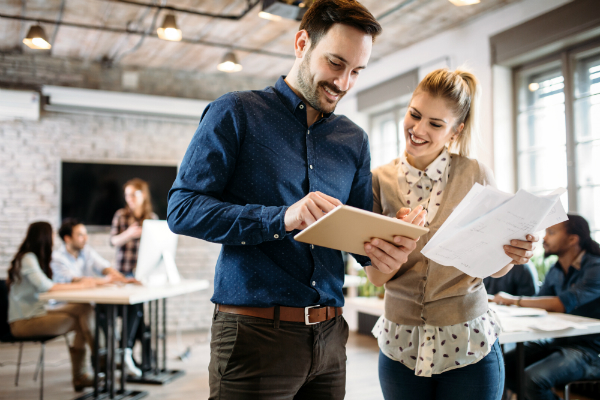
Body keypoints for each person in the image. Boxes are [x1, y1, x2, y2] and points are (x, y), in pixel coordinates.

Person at [167, 1, 421, 398]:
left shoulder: (353, 141)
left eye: (356, 71)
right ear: (302, 42)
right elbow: (182, 209)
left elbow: (357, 240)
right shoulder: (235, 113)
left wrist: (387, 242)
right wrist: (281, 218)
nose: (344, 82)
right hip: (254, 337)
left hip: (331, 339)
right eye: (335, 63)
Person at [366, 68, 538, 400]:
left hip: (468, 342)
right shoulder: (379, 180)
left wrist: (514, 253)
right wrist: (398, 240)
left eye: (435, 123)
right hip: (401, 344)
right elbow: (375, 276)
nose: (417, 130)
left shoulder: (475, 174)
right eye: (414, 115)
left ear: (455, 131)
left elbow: (495, 266)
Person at [494, 215, 600, 400]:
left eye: (551, 232)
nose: (544, 238)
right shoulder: (557, 269)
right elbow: (539, 302)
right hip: (558, 340)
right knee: (503, 367)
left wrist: (514, 300)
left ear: (572, 239)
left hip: (590, 348)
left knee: (532, 380)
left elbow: (562, 303)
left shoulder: (595, 268)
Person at [7, 221, 98, 392]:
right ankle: (87, 370)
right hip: (24, 322)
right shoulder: (27, 259)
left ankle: (99, 359)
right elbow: (47, 286)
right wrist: (82, 285)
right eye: (50, 237)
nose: (53, 242)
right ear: (43, 238)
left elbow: (49, 285)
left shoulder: (34, 258)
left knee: (84, 308)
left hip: (39, 312)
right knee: (84, 322)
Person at [109, 178, 157, 377]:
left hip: (143, 276)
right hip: (124, 274)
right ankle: (133, 355)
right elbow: (113, 241)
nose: (129, 199)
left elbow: (156, 248)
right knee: (136, 313)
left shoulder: (152, 218)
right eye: (127, 195)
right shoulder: (121, 216)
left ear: (142, 195)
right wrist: (129, 233)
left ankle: (132, 356)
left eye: (133, 194)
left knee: (137, 314)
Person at [51, 218, 125, 284]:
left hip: (84, 298)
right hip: (65, 298)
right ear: (67, 238)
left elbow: (104, 267)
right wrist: (105, 280)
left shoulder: (86, 251)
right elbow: (74, 280)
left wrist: (121, 279)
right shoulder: (57, 258)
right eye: (80, 235)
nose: (86, 239)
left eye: (85, 234)